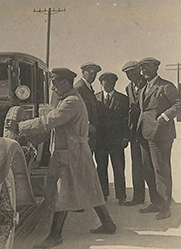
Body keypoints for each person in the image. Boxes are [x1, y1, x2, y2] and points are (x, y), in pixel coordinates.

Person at [19, 68, 116, 248]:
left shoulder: (71, 101)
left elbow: (49, 121)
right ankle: (108, 224)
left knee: (61, 193)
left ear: (65, 82)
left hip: (71, 153)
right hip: (75, 151)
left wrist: (21, 126)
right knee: (91, 188)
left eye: (55, 83)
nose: (53, 87)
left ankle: (55, 236)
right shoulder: (69, 100)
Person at [137, 57, 181, 219]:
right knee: (148, 169)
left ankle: (165, 206)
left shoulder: (165, 86)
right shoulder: (144, 86)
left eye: (147, 68)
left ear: (156, 68)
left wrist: (164, 117)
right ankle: (155, 202)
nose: (144, 71)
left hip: (161, 135)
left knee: (161, 170)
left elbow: (180, 103)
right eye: (142, 68)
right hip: (145, 133)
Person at [95, 72, 129, 205]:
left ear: (115, 84)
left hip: (117, 141)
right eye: (106, 82)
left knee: (119, 168)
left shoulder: (123, 99)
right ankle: (103, 195)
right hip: (100, 141)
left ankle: (121, 197)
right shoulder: (95, 98)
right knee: (101, 168)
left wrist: (125, 137)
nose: (108, 85)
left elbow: (127, 120)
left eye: (111, 82)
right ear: (101, 83)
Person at [122, 61, 148, 206]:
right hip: (135, 133)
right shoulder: (129, 88)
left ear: (139, 70)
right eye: (127, 74)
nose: (130, 76)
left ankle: (157, 200)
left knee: (149, 166)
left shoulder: (149, 83)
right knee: (136, 165)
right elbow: (131, 112)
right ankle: (138, 197)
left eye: (132, 72)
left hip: (148, 131)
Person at [74, 62, 102, 152]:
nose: (92, 75)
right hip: (84, 131)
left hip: (90, 132)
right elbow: (76, 111)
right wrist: (88, 124)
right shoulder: (79, 88)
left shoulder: (88, 87)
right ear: (83, 73)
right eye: (90, 72)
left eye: (94, 73)